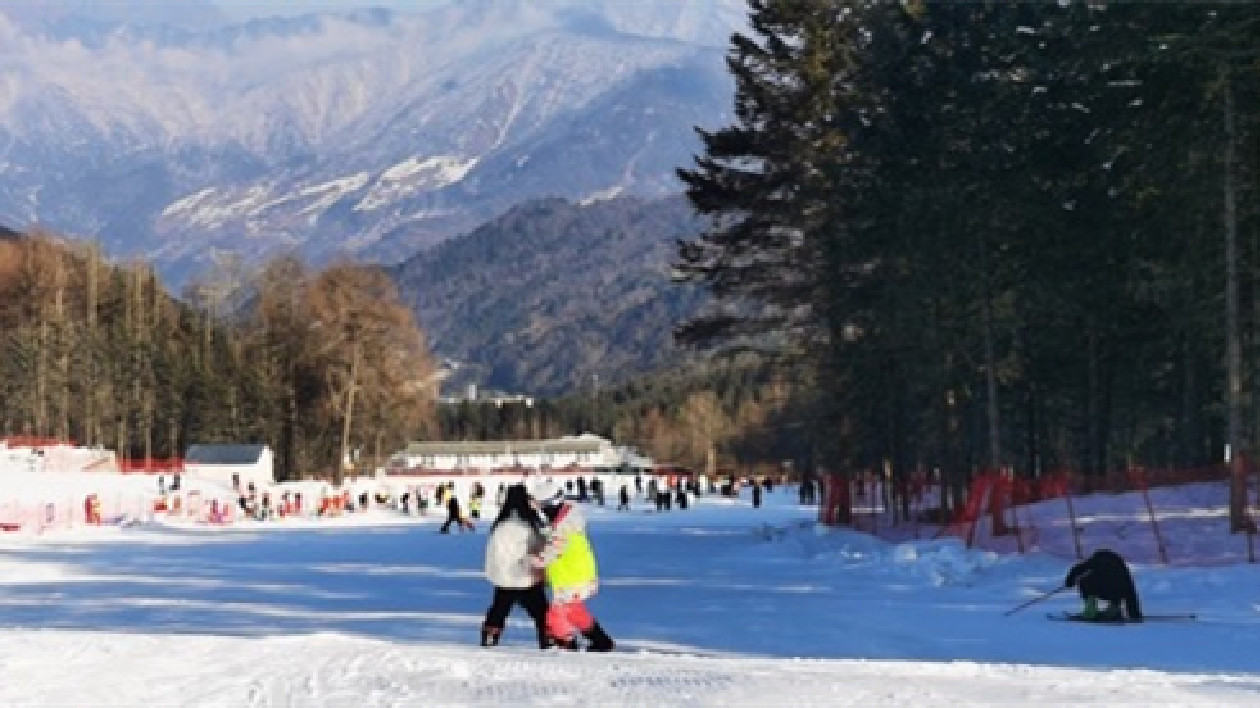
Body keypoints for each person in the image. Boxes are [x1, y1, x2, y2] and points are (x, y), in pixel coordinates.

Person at [530, 484, 614, 652]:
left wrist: (535, 561)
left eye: (541, 507)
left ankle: (566, 644)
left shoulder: (563, 526)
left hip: (571, 576)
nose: (540, 511)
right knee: (574, 610)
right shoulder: (567, 518)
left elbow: (554, 549)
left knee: (556, 614)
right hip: (577, 574)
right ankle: (600, 641)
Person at [480, 484, 550, 648]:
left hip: (504, 577)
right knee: (541, 612)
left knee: (499, 609)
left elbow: (492, 552)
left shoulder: (499, 525)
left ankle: (490, 635)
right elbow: (540, 547)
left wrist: (494, 573)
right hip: (526, 576)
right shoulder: (530, 525)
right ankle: (548, 638)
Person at [1064, 549, 1142, 621]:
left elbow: (1077, 570)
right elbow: (1131, 592)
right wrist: (1134, 614)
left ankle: (1090, 610)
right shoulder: (1122, 570)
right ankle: (1113, 610)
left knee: (1084, 580)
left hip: (1096, 590)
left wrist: (1070, 582)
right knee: (1121, 587)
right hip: (1115, 593)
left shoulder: (1093, 563)